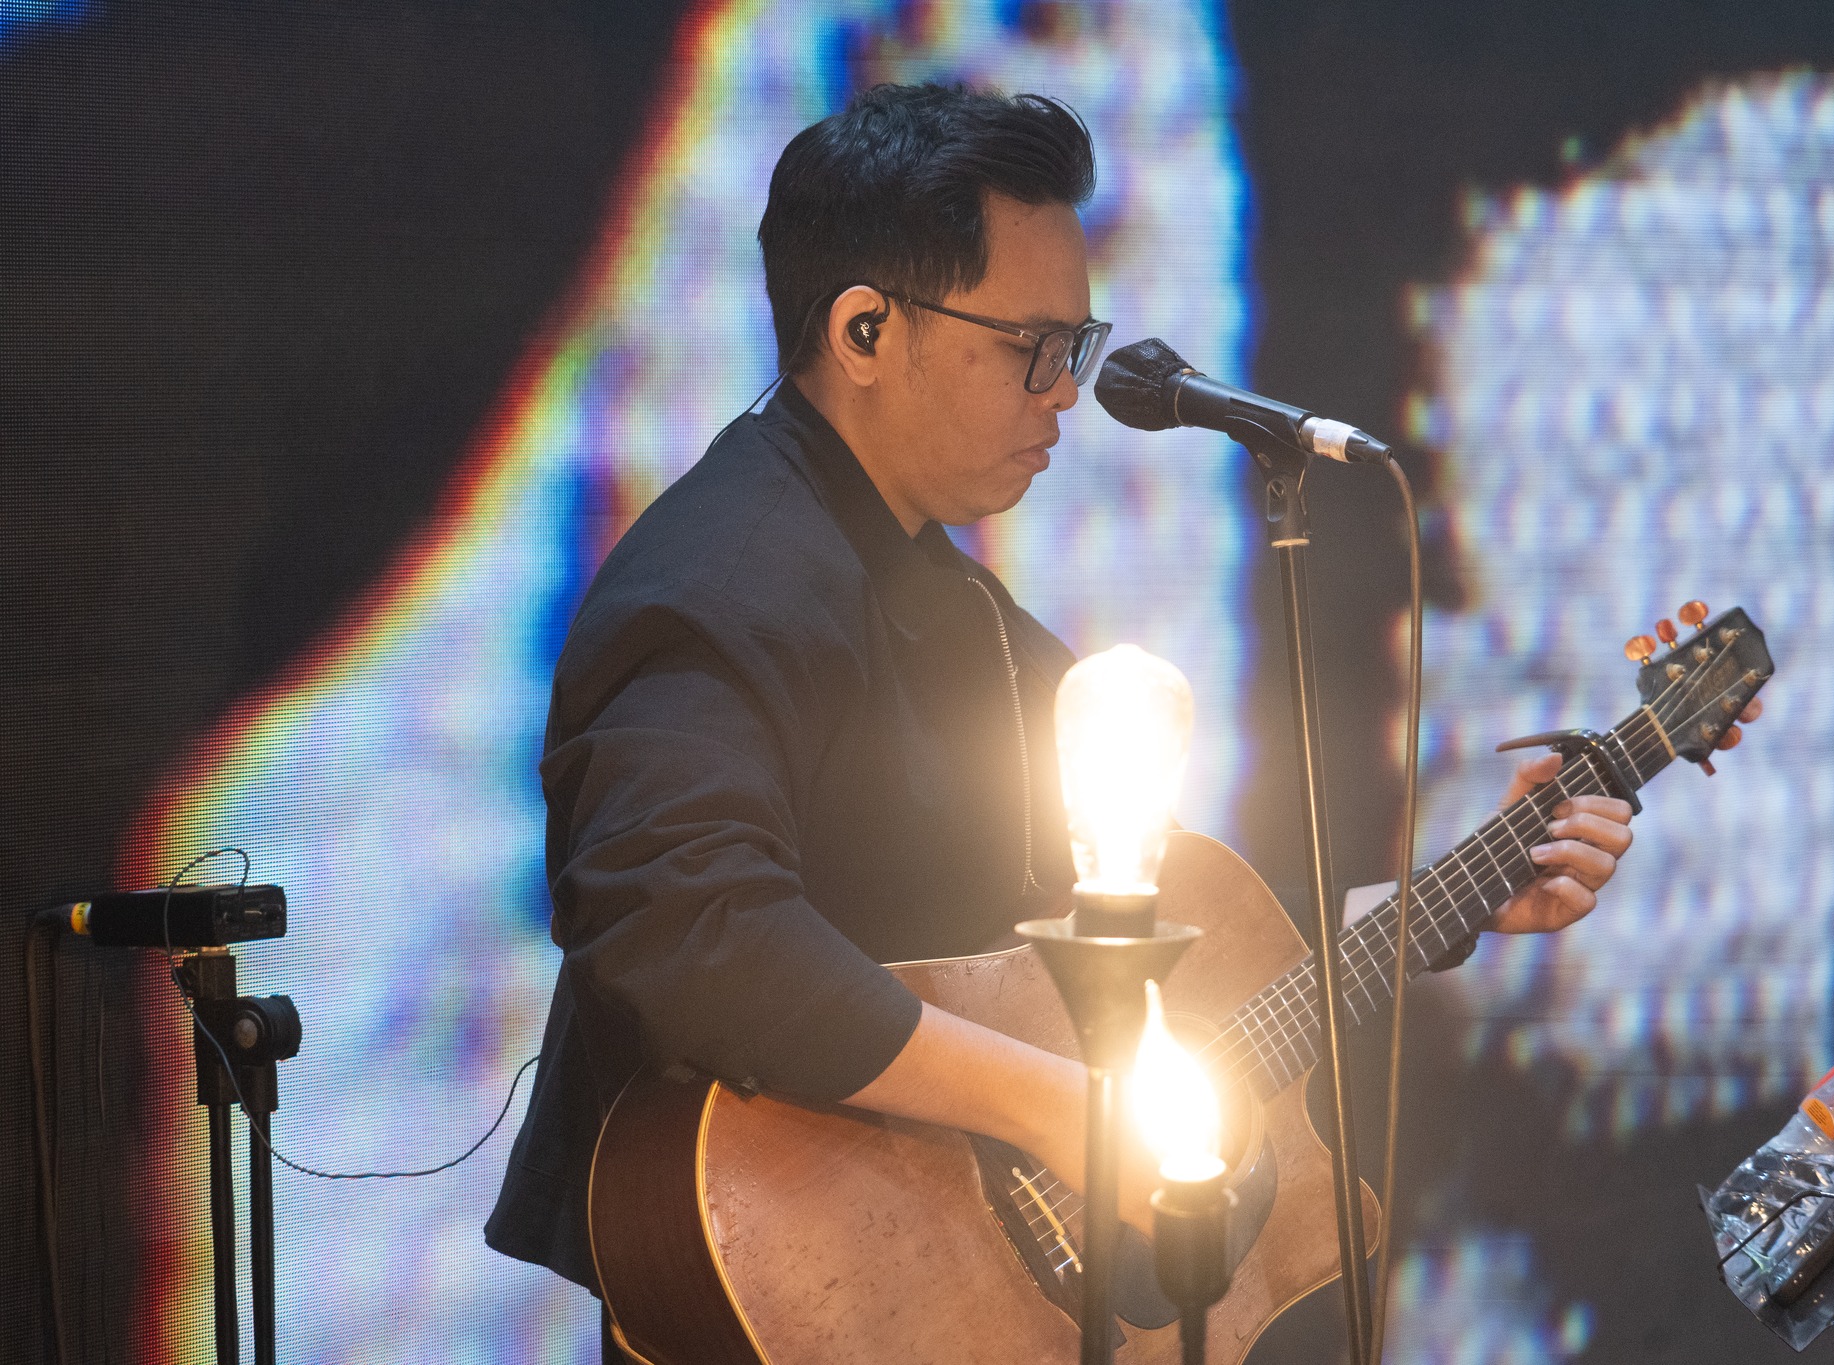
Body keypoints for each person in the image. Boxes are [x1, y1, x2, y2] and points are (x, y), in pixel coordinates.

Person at [483, 82, 1667, 1348]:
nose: (1063, 393)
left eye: (1077, 345)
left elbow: (1118, 924)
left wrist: (1444, 899)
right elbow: (689, 932)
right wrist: (1062, 1111)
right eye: (1031, 347)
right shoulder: (715, 581)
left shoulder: (935, 588)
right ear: (864, 330)